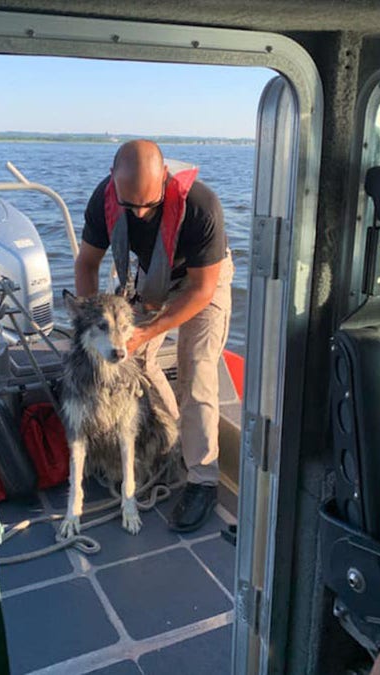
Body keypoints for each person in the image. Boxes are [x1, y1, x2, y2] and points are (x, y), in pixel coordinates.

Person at [74, 139, 235, 532]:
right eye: (131, 206)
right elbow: (87, 263)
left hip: (203, 280)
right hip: (154, 276)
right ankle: (177, 437)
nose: (142, 213)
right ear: (113, 184)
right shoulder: (103, 200)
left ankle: (202, 480)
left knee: (197, 373)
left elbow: (200, 290)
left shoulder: (201, 205)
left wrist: (147, 330)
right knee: (139, 362)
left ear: (164, 178)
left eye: (151, 203)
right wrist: (90, 322)